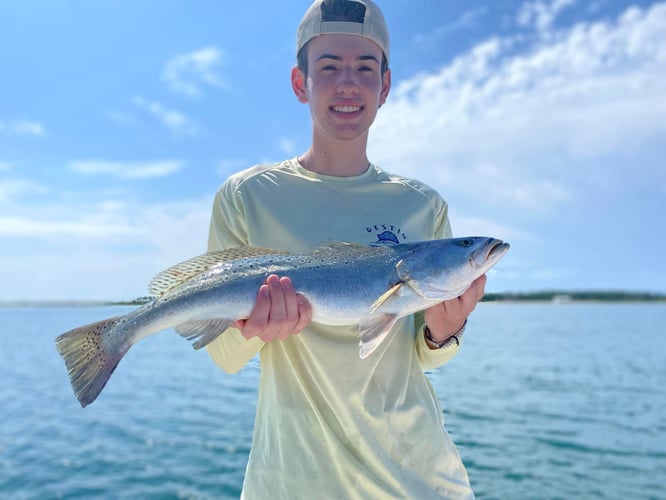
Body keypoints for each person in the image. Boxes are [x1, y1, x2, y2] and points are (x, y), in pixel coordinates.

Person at [205, 1, 485, 497]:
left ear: (386, 86)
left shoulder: (423, 205)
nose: (348, 84)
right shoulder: (246, 196)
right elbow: (223, 356)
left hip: (417, 480)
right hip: (291, 481)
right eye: (329, 67)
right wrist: (255, 330)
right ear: (300, 83)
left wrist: (445, 334)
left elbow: (423, 358)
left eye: (365, 68)